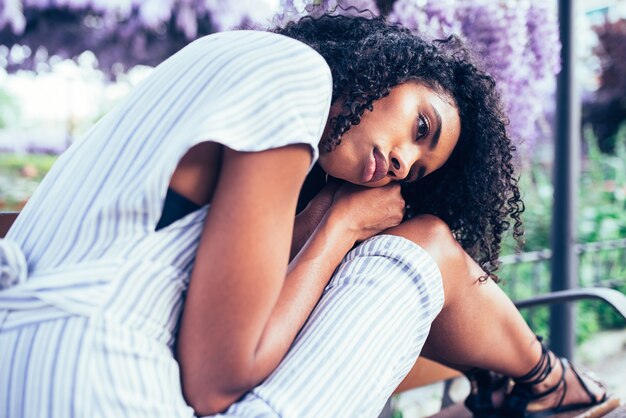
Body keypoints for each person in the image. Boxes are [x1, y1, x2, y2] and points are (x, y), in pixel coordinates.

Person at [0, 13, 617, 418]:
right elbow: (217, 383)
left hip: (31, 369)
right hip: (99, 387)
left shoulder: (230, 69)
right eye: (420, 126)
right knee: (424, 243)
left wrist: (324, 211)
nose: (401, 161)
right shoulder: (293, 79)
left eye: (417, 169)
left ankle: (533, 384)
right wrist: (341, 225)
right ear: (391, 67)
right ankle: (544, 381)